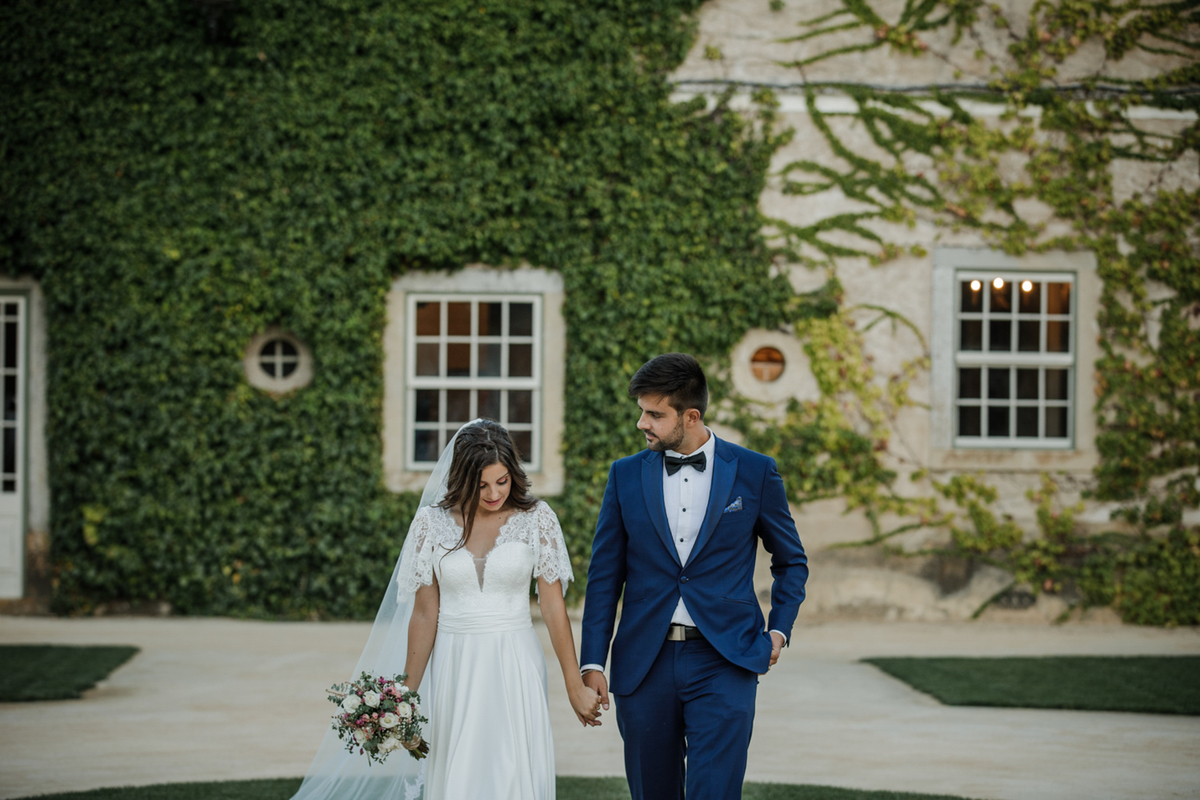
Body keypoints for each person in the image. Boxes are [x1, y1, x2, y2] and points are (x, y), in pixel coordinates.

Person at [290, 419, 600, 800]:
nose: (493, 493)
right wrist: (402, 699)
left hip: (514, 661)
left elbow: (552, 606)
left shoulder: (537, 519)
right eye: (481, 484)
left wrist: (573, 685)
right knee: (460, 773)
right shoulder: (430, 524)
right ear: (461, 477)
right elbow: (424, 614)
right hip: (455, 663)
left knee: (512, 768)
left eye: (502, 481)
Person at [580, 353, 809, 800]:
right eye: (642, 411)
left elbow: (791, 560)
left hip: (725, 659)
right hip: (644, 664)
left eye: (654, 414)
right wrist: (593, 662)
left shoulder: (754, 471)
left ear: (691, 416)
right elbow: (605, 576)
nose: (642, 424)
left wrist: (778, 630)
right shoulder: (624, 475)